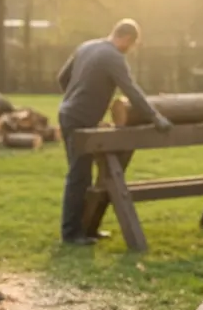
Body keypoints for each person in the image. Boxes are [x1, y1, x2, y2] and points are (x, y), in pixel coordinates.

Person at [56, 19, 170, 245]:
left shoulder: (87, 46)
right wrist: (155, 117)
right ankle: (71, 234)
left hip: (68, 113)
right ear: (127, 39)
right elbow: (131, 90)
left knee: (84, 174)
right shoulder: (113, 57)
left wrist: (74, 97)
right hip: (79, 119)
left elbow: (62, 78)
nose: (130, 50)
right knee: (79, 175)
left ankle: (86, 229)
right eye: (132, 45)